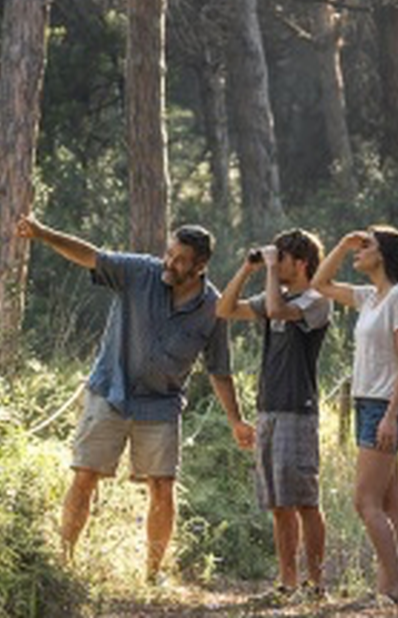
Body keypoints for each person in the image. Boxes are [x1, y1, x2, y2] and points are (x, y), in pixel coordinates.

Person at [16, 214, 254, 583]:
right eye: (169, 254)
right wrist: (43, 234)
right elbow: (91, 256)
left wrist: (236, 421)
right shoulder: (140, 272)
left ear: (200, 265)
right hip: (110, 391)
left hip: (160, 405)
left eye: (180, 259)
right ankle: (64, 564)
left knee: (162, 485)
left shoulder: (213, 307)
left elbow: (219, 369)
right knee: (84, 476)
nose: (170, 263)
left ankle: (152, 573)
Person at [215, 229, 333, 604]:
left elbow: (281, 312)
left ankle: (316, 586)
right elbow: (225, 309)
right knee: (278, 503)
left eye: (280, 259)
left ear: (299, 263)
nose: (275, 265)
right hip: (268, 409)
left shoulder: (317, 300)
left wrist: (268, 271)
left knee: (305, 501)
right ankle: (287, 584)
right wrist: (248, 269)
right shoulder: (273, 295)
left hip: (298, 411)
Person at [311, 225, 398, 608]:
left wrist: (391, 416)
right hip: (367, 403)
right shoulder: (369, 297)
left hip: (384, 406)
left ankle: (396, 587)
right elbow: (320, 282)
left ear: (385, 255)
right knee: (389, 503)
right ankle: (388, 586)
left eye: (367, 247)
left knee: (364, 502)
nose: (360, 252)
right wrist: (343, 244)